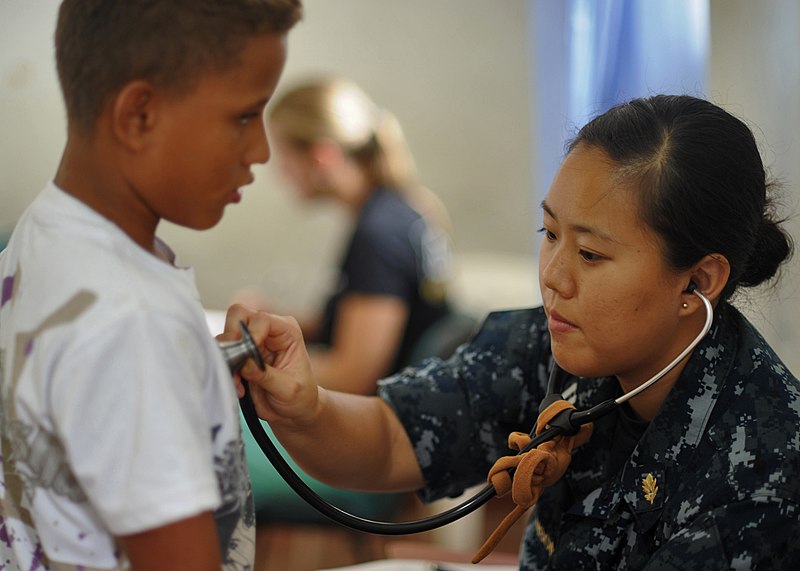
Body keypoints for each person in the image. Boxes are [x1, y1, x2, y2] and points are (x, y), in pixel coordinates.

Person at [224, 94, 799, 569]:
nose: (553, 277)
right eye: (550, 234)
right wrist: (306, 409)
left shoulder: (766, 468)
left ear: (698, 279)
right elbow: (392, 438)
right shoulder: (551, 350)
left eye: (592, 254)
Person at [0, 1, 301, 570]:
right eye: (243, 116)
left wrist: (189, 377)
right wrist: (162, 367)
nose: (259, 151)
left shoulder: (40, 233)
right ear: (139, 116)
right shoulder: (134, 321)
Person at [262, 77, 456, 395]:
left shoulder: (379, 235)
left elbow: (352, 377)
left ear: (321, 156)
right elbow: (359, 321)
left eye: (283, 156)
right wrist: (279, 320)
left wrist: (253, 364)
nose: (280, 173)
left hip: (388, 419)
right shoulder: (400, 209)